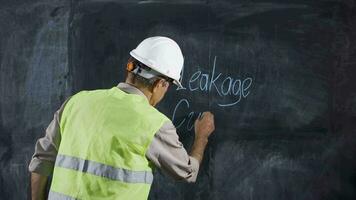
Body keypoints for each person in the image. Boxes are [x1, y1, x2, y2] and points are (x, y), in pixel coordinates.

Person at [29, 36, 215, 200]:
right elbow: (187, 172)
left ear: (130, 68)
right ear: (160, 84)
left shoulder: (76, 102)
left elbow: (41, 159)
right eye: (168, 87)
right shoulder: (154, 124)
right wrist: (201, 137)